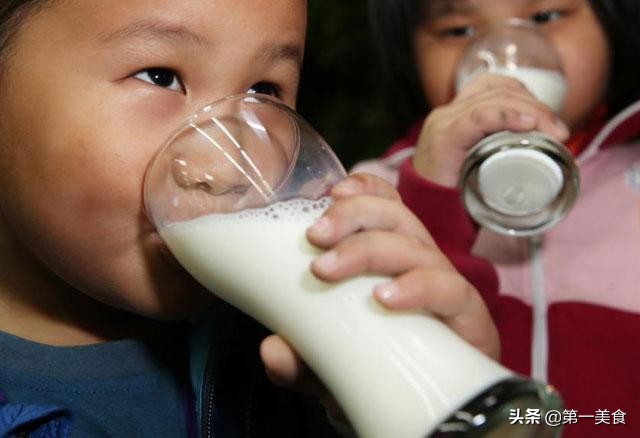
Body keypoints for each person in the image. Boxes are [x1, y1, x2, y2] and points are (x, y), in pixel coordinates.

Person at [0, 1, 499, 436]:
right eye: (161, 76)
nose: (227, 169)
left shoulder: (295, 353)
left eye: (264, 91)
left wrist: (426, 396)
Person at [354, 0, 640, 436]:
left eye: (545, 17)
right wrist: (431, 195)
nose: (507, 55)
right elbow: (372, 367)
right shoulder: (376, 192)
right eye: (460, 32)